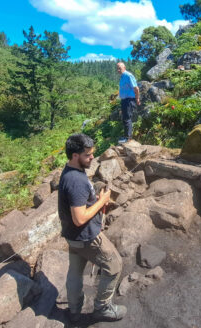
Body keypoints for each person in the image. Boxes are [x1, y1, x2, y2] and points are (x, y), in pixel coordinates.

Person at [58, 133, 126, 323]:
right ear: (74, 156)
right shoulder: (76, 181)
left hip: (72, 236)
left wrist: (93, 202)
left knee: (75, 271)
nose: (92, 158)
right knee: (114, 265)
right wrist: (102, 201)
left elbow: (76, 208)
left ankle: (74, 310)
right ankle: (102, 308)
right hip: (86, 236)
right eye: (88, 155)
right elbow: (79, 219)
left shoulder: (70, 172)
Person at [116, 61, 140, 144]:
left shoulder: (128, 75)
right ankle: (126, 136)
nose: (118, 70)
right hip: (124, 100)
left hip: (129, 100)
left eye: (120, 68)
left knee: (127, 119)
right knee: (125, 118)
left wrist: (137, 99)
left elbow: (136, 88)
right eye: (117, 68)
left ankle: (128, 138)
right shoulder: (122, 76)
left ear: (124, 68)